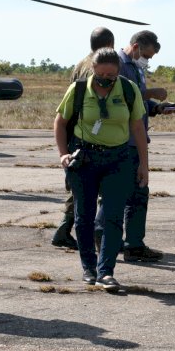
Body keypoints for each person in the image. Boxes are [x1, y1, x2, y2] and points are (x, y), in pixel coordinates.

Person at [54, 47, 148, 291]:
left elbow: (138, 128)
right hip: (85, 158)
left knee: (113, 217)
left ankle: (106, 272)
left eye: (111, 75)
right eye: (101, 73)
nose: (106, 79)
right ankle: (89, 267)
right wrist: (63, 154)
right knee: (83, 217)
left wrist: (144, 166)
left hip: (118, 159)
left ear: (118, 72)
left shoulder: (128, 89)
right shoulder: (78, 90)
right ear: (92, 69)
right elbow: (60, 122)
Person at [51, 27, 116, 249]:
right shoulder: (100, 68)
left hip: (74, 130)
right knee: (90, 187)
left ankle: (65, 229)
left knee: (79, 185)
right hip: (89, 135)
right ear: (109, 44)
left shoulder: (80, 64)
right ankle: (86, 233)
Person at [114, 30, 175, 262]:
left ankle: (129, 243)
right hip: (123, 141)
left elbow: (138, 103)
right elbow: (122, 97)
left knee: (136, 193)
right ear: (136, 46)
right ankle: (124, 243)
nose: (147, 61)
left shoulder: (136, 68)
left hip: (135, 139)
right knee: (126, 194)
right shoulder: (119, 65)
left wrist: (157, 107)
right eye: (147, 56)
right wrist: (152, 93)